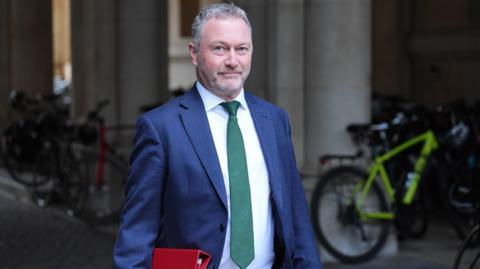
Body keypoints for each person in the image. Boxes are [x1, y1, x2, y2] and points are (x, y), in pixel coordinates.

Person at [113, 3, 321, 269]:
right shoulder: (160, 128)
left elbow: (296, 217)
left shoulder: (275, 120)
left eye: (241, 49)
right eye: (219, 48)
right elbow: (137, 233)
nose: (233, 60)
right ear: (194, 53)